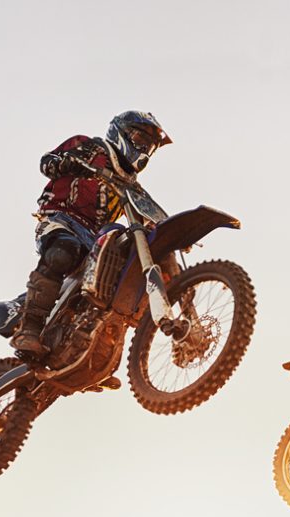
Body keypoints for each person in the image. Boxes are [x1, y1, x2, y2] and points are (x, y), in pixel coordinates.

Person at [10, 111, 173, 355]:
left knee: (120, 277)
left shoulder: (132, 184)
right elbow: (47, 162)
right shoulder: (90, 147)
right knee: (62, 252)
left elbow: (148, 212)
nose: (142, 148)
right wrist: (68, 162)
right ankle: (28, 330)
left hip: (95, 238)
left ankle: (99, 348)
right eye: (139, 140)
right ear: (122, 132)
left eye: (148, 146)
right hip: (61, 219)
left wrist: (164, 227)